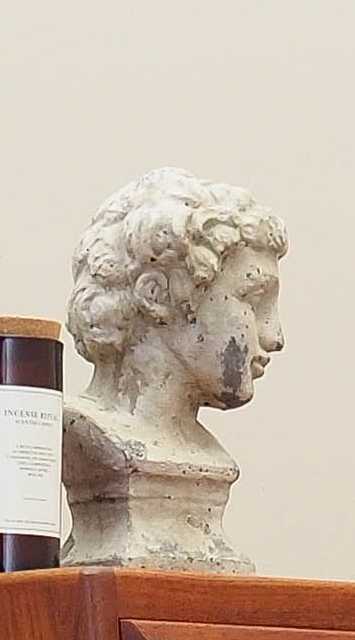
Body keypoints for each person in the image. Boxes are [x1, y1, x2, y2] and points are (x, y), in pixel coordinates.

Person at [63, 169, 288, 570]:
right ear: (158, 296)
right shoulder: (88, 437)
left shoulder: (206, 455)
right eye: (253, 301)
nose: (274, 336)